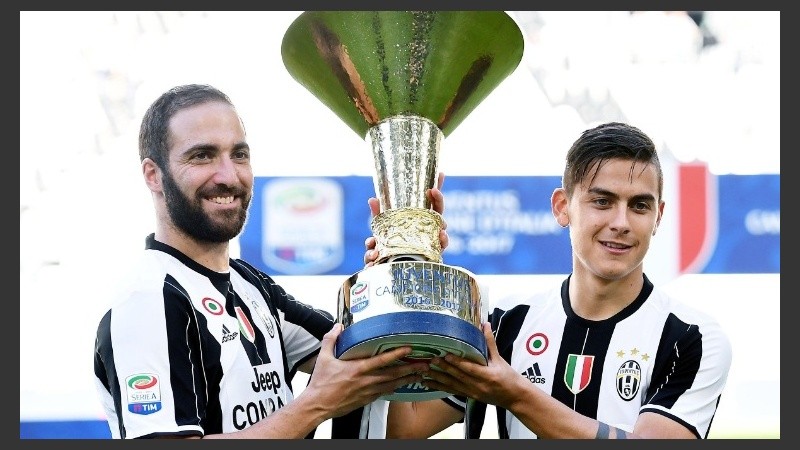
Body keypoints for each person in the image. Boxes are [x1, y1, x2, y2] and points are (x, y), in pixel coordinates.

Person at [92, 83, 436, 439]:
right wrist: (316, 403)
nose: (228, 176)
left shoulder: (253, 287)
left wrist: (406, 254)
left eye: (239, 154)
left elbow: (372, 355)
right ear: (153, 175)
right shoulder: (149, 301)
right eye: (202, 156)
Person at [369, 121, 733, 439]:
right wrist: (396, 273)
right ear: (562, 207)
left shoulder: (691, 338)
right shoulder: (505, 323)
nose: (621, 222)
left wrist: (514, 394)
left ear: (658, 216)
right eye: (602, 202)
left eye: (639, 205)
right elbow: (404, 428)